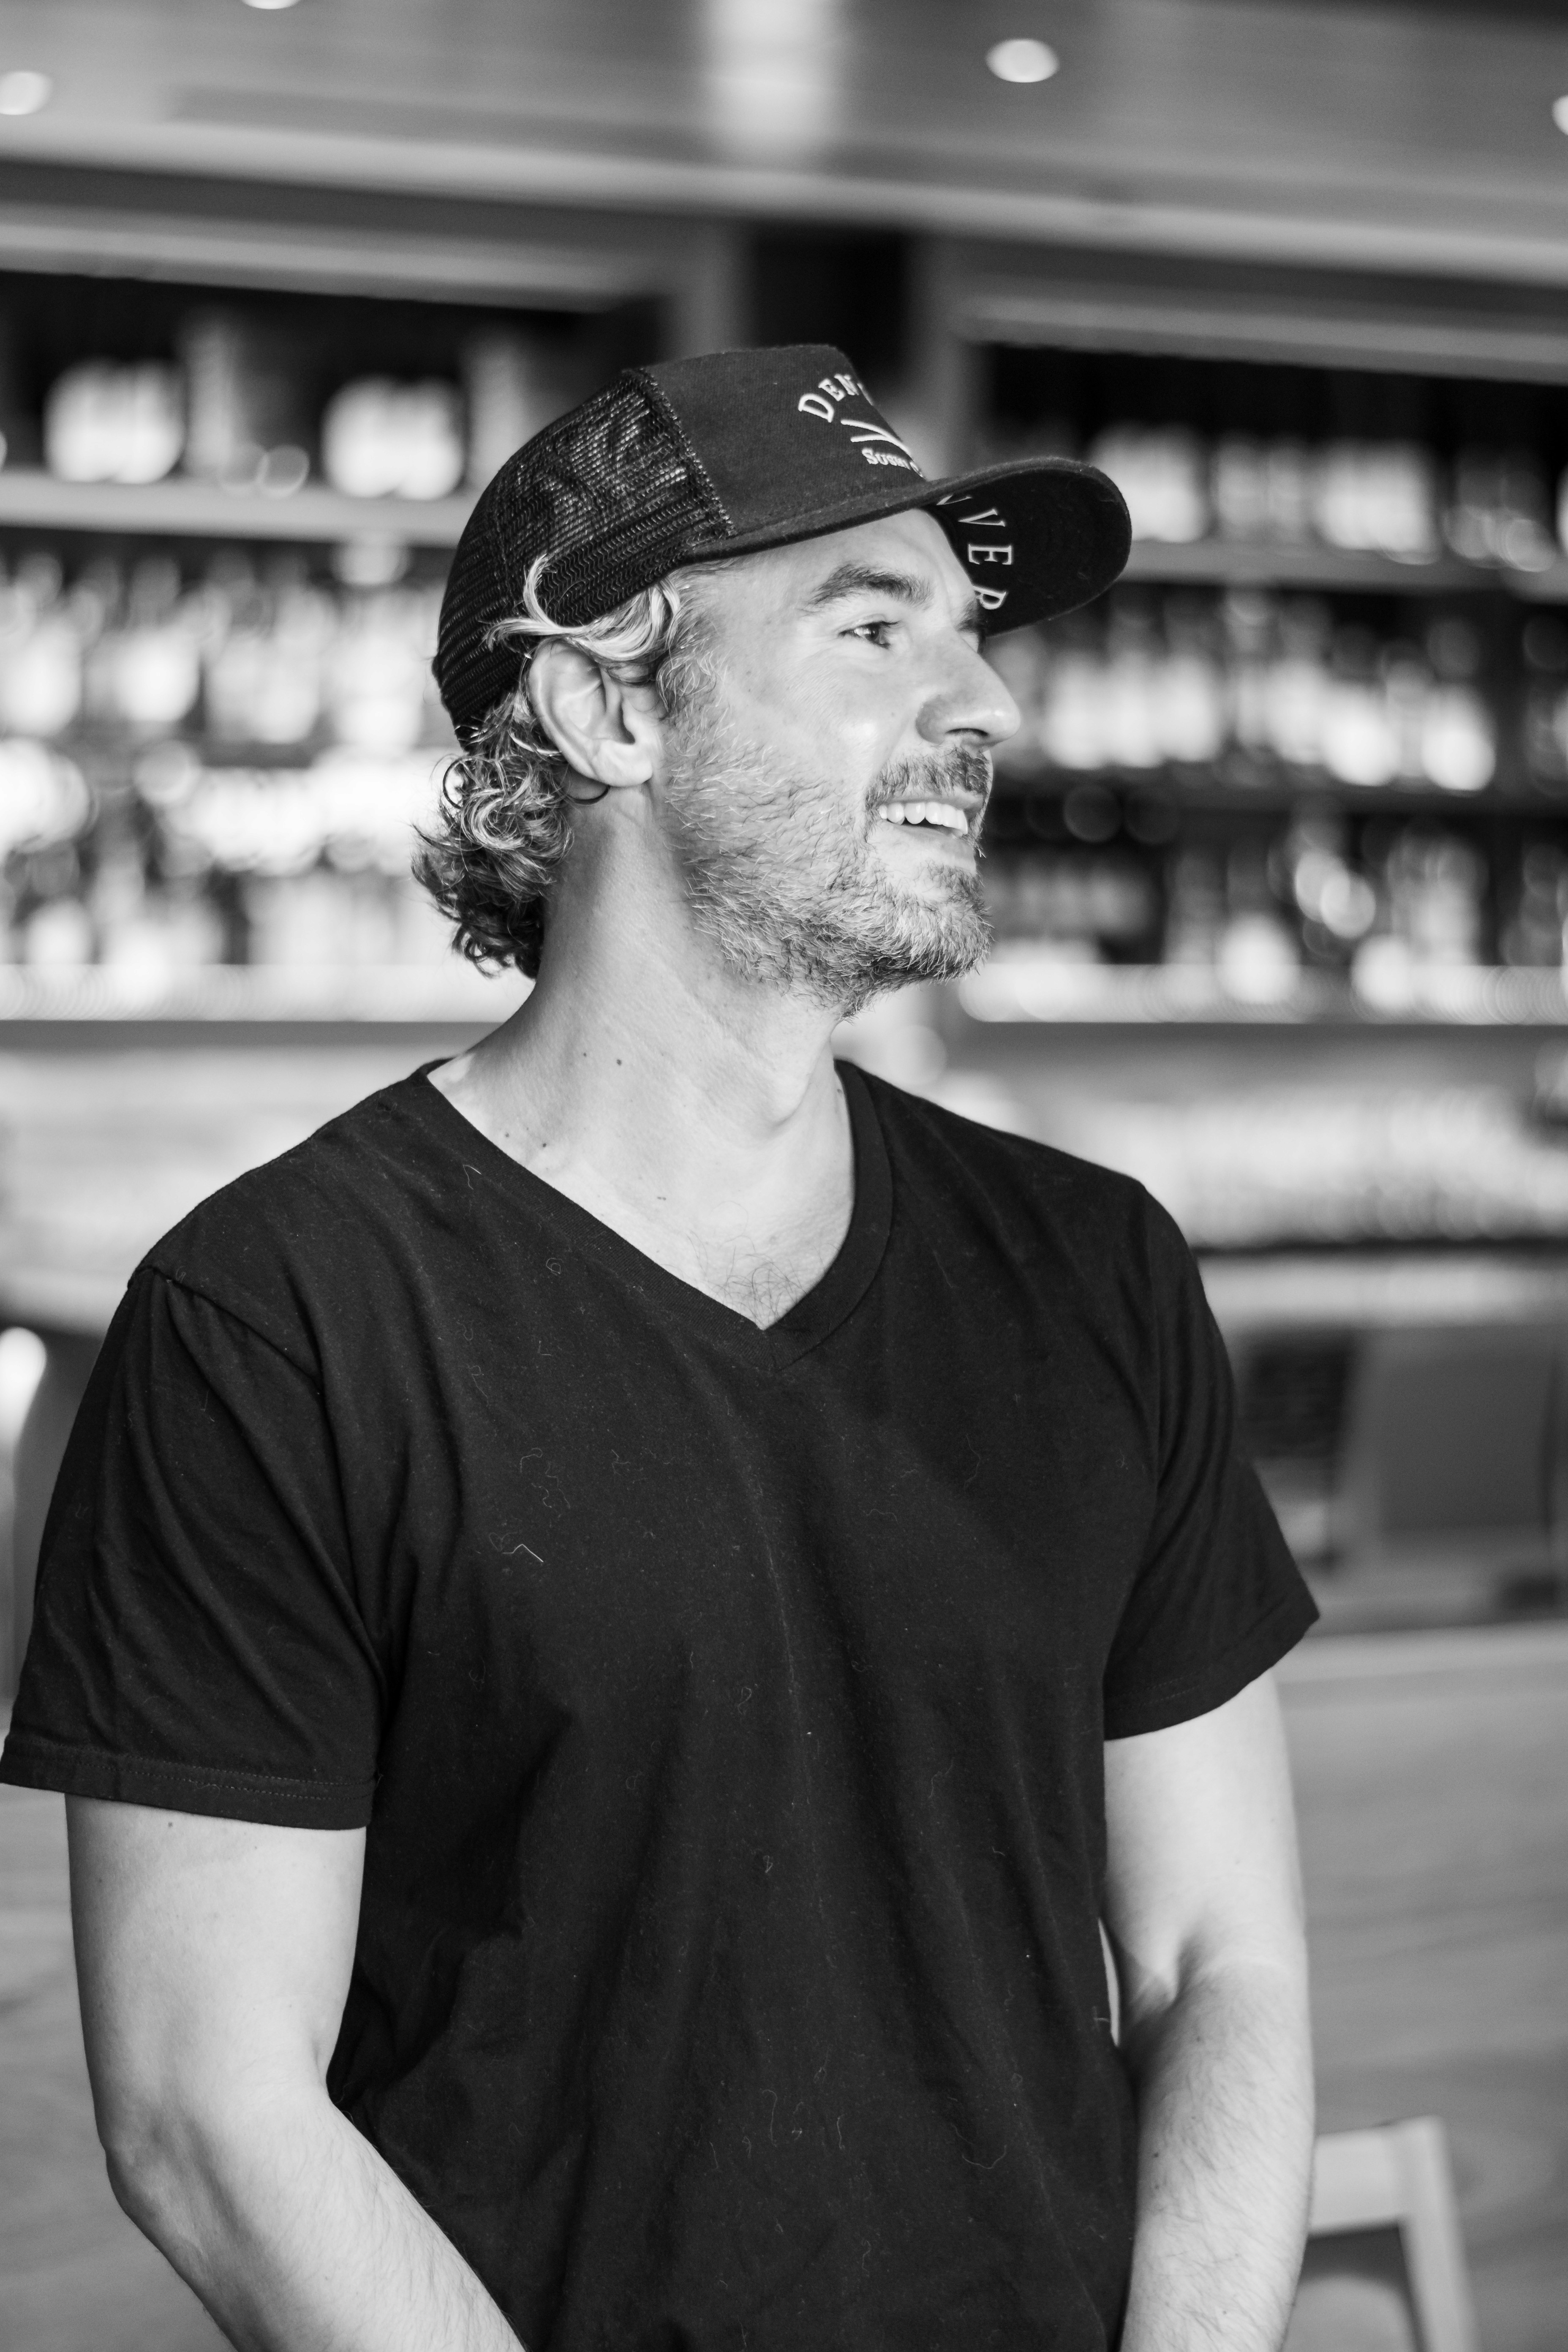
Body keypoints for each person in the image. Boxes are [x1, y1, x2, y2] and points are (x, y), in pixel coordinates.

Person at [2, 344, 1317, 2352]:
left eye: (966, 638)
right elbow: (205, 2114)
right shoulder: (276, 1326)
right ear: (609, 703)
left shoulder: (1093, 1271)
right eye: (872, 630)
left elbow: (1226, 1958)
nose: (982, 704)